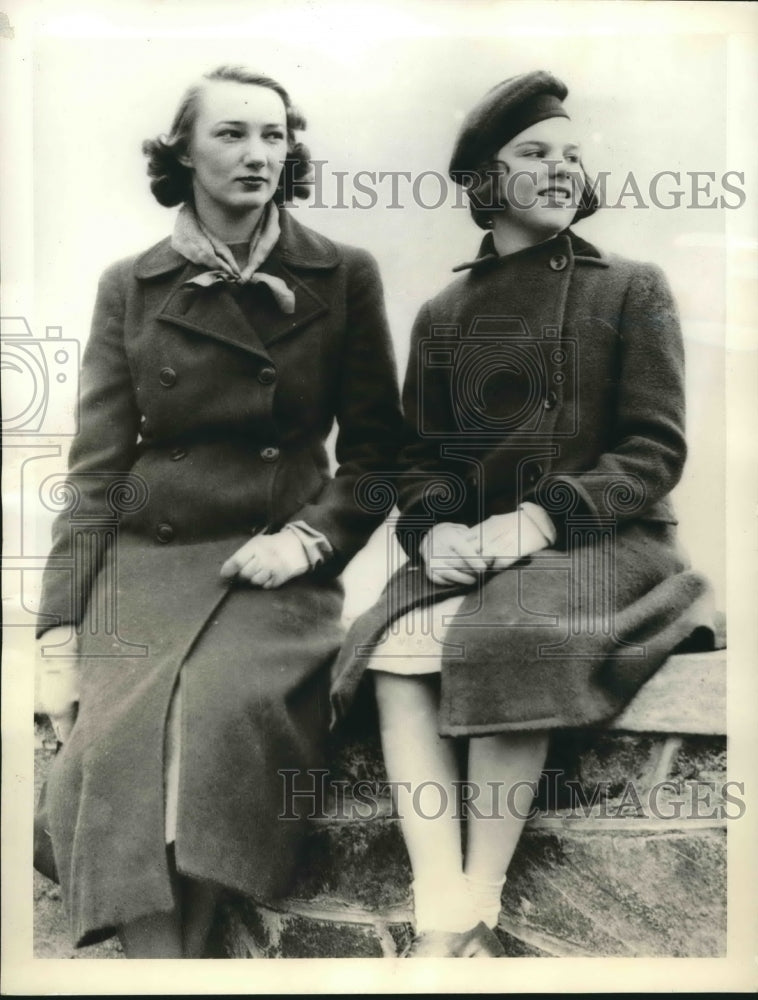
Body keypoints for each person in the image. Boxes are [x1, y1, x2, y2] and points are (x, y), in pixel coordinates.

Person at [330, 70, 716, 958]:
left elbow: (654, 450)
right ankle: (441, 906)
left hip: (610, 541)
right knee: (391, 646)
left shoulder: (632, 287)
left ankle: (478, 906)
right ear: (485, 180)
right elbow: (422, 462)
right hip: (480, 550)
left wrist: (540, 521)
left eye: (571, 155)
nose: (559, 168)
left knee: (510, 633)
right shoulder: (444, 313)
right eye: (535, 153)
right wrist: (436, 530)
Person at [35, 64, 404, 958]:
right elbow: (97, 472)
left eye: (273, 135)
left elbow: (381, 456)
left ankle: (170, 972)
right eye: (232, 133)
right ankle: (177, 971)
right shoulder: (131, 284)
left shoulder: (342, 275)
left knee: (213, 722)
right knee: (112, 748)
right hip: (146, 568)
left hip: (272, 573)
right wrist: (56, 635)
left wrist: (309, 539)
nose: (257, 153)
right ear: (184, 153)